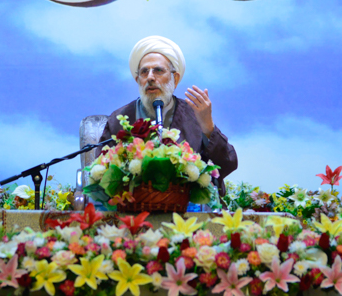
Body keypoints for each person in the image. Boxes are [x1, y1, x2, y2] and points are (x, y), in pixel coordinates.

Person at [100, 35, 238, 195]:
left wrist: (208, 127)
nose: (150, 77)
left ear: (175, 78)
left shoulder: (194, 114)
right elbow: (102, 173)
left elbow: (227, 164)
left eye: (158, 70)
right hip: (133, 206)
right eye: (144, 72)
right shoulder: (120, 118)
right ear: (138, 80)